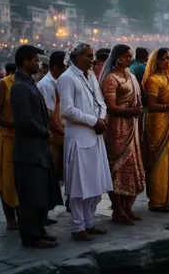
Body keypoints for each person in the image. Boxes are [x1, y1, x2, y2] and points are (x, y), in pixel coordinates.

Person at [58, 42, 113, 241]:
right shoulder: (67, 78)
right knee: (79, 186)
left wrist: (102, 118)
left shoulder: (90, 77)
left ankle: (89, 223)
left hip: (95, 136)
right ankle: (78, 226)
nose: (93, 59)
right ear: (77, 57)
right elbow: (67, 110)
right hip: (79, 138)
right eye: (89, 56)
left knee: (94, 184)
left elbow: (101, 103)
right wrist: (93, 121)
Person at [10, 45, 62, 248]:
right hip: (28, 152)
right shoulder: (20, 87)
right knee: (30, 197)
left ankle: (40, 230)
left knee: (40, 193)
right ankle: (31, 237)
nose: (38, 64)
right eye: (35, 60)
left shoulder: (31, 83)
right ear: (26, 62)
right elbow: (24, 120)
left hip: (39, 150)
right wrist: (45, 131)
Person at [98, 45, 145, 225]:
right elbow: (111, 107)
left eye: (131, 56)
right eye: (126, 56)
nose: (129, 59)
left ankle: (127, 208)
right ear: (117, 58)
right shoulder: (111, 78)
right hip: (118, 127)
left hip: (132, 125)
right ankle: (117, 210)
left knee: (133, 166)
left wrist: (135, 111)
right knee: (117, 168)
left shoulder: (131, 76)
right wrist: (131, 111)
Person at [143, 48, 169, 211]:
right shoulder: (153, 80)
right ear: (156, 61)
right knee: (160, 160)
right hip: (158, 123)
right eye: (164, 59)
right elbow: (152, 106)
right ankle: (159, 199)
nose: (167, 62)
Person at [0, 63, 19, 230]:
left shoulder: (30, 84)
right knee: (7, 181)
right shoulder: (2, 85)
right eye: (35, 61)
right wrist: (15, 125)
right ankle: (10, 220)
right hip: (7, 139)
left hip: (25, 141)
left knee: (22, 181)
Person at [37, 51, 67, 185]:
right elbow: (49, 116)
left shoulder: (59, 82)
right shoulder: (46, 85)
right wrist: (64, 133)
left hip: (60, 133)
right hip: (53, 135)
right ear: (55, 67)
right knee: (53, 172)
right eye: (64, 68)